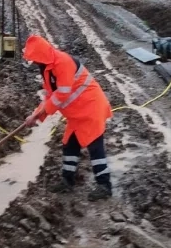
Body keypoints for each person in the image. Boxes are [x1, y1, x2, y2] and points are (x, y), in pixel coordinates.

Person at [23, 35, 113, 201]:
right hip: (78, 113)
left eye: (34, 58)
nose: (33, 62)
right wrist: (36, 114)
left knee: (94, 145)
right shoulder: (47, 68)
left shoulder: (62, 63)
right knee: (70, 144)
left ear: (41, 55)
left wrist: (41, 113)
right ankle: (67, 180)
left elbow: (62, 94)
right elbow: (50, 95)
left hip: (90, 108)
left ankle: (104, 185)